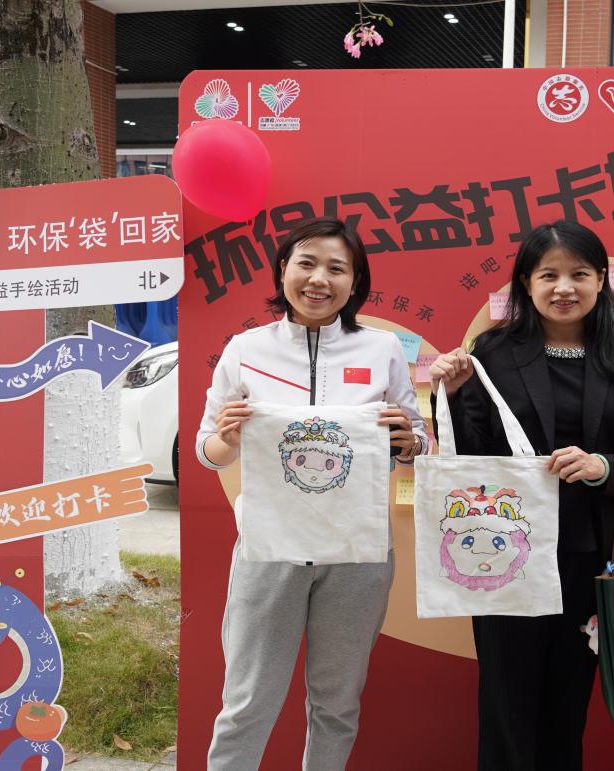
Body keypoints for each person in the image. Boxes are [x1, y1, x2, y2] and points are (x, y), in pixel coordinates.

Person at [195, 217, 427, 771]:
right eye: (307, 263)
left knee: (337, 704)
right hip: (268, 549)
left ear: (355, 282)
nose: (319, 279)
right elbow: (208, 451)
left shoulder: (382, 349)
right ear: (283, 269)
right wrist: (228, 438)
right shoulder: (246, 349)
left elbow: (415, 441)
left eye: (337, 268)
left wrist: (409, 440)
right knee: (246, 702)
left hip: (358, 555)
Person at [428, 220, 614, 771]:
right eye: (548, 275)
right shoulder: (494, 352)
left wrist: (602, 466)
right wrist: (455, 394)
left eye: (579, 274)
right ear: (526, 284)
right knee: (505, 703)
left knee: (567, 704)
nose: (564, 287)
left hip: (590, 557)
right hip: (502, 555)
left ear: (601, 280)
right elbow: (473, 460)